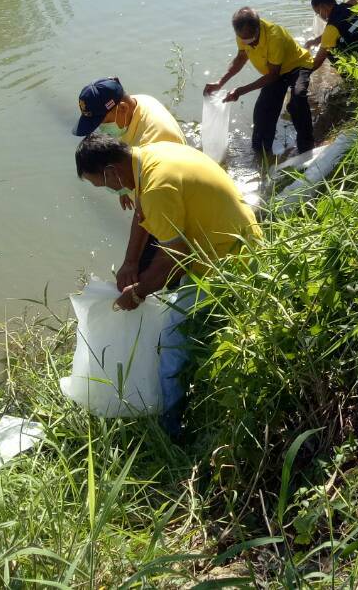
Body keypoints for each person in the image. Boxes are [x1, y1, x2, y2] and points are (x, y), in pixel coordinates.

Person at [74, 136, 261, 434]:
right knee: (181, 315)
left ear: (111, 171)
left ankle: (172, 423)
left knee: (173, 340)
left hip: (229, 259)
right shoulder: (150, 156)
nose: (109, 190)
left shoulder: (157, 185)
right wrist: (131, 261)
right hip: (232, 235)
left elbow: (174, 257)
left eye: (103, 183)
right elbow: (142, 211)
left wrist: (135, 294)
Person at [73, 77, 187, 292]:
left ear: (122, 108)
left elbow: (148, 208)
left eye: (101, 122)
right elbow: (124, 153)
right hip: (153, 190)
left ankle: (178, 297)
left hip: (170, 200)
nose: (100, 130)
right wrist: (125, 187)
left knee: (153, 267)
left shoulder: (157, 137)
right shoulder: (137, 105)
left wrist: (131, 261)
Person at [204, 7, 316, 162]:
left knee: (298, 98)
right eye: (243, 39)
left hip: (296, 65)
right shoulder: (243, 36)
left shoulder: (274, 36)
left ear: (258, 27)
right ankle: (261, 155)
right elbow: (241, 58)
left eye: (251, 38)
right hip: (275, 71)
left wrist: (241, 91)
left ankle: (307, 148)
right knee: (262, 110)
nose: (249, 42)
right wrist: (220, 82)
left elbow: (273, 75)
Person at [305, 0, 358, 70]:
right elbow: (341, 29)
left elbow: (317, 62)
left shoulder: (331, 28)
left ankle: (350, 79)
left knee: (330, 52)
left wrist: (301, 70)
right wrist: (316, 41)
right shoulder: (348, 6)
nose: (319, 16)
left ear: (323, 7)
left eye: (318, 12)